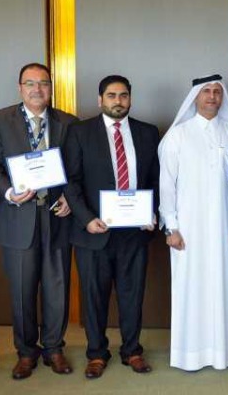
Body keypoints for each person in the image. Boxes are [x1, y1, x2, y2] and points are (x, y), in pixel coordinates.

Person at [0, 63, 78, 380]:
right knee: (22, 292)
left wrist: (70, 199)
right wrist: (8, 192)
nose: (37, 89)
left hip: (57, 217)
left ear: (51, 87)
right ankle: (26, 352)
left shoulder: (68, 122)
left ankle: (53, 348)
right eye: (30, 83)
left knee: (57, 287)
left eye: (43, 83)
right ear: (20, 87)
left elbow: (77, 170)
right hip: (18, 217)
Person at [66, 75, 161, 379]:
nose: (117, 101)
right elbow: (71, 181)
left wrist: (153, 212)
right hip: (94, 230)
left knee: (132, 295)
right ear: (100, 100)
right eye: (111, 95)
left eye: (123, 95)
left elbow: (157, 180)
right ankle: (96, 353)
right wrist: (85, 218)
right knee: (93, 297)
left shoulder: (148, 133)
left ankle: (132, 350)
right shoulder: (79, 132)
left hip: (134, 232)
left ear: (130, 99)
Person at [159, 74, 228, 371]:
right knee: (190, 287)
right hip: (188, 230)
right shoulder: (178, 135)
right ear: (194, 96)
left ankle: (227, 353)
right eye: (206, 91)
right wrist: (171, 227)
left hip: (226, 227)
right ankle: (190, 355)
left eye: (217, 92)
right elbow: (167, 185)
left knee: (224, 285)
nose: (212, 96)